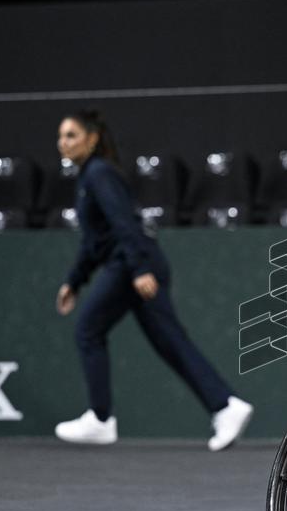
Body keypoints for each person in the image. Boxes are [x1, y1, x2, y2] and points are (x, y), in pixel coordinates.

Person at [52, 109, 252, 451]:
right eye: (61, 136)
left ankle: (100, 419)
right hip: (134, 265)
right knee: (169, 341)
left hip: (130, 267)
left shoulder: (99, 174)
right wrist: (75, 280)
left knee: (88, 329)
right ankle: (226, 406)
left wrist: (139, 268)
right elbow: (93, 242)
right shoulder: (89, 178)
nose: (63, 143)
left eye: (71, 135)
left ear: (92, 138)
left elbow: (123, 223)